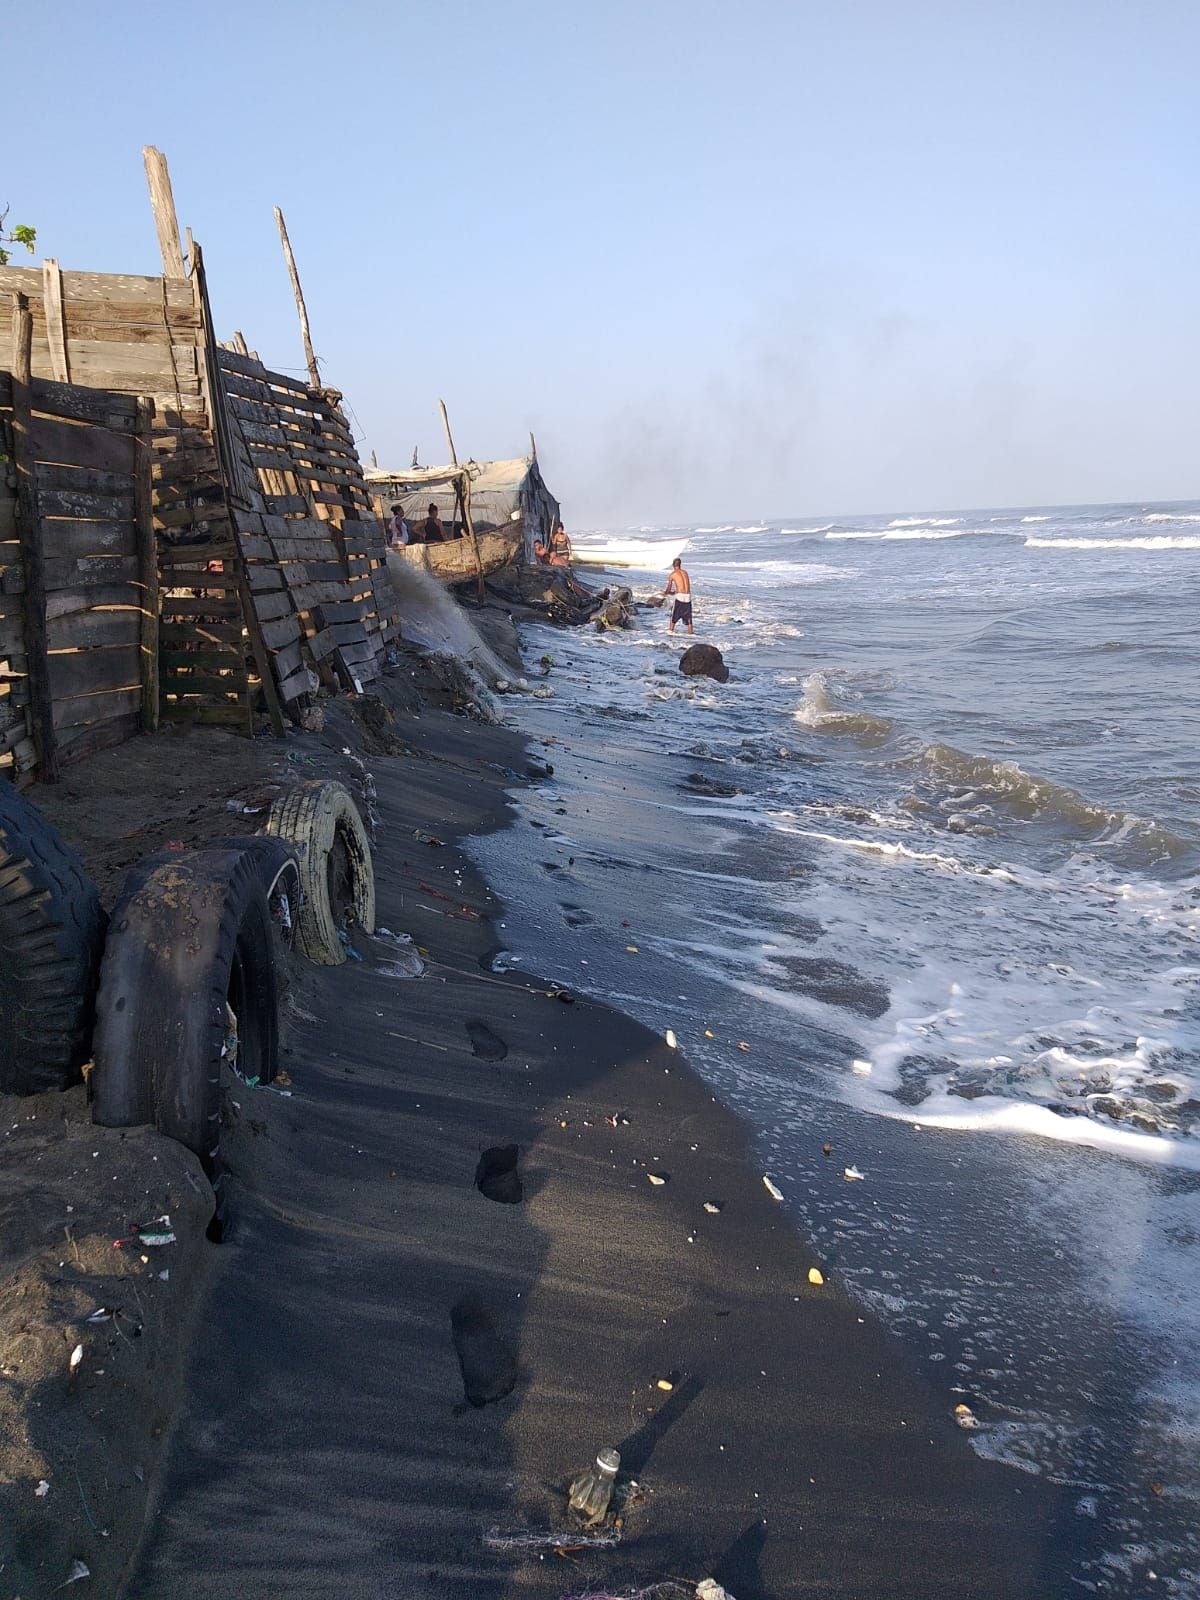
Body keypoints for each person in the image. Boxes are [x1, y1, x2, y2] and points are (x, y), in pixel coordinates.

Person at [663, 556, 693, 635]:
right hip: (688, 596)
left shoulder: (672, 574)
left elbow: (668, 589)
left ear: (673, 565)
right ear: (680, 565)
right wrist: (674, 592)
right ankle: (691, 636)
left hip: (680, 597)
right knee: (689, 620)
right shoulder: (685, 572)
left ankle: (670, 633)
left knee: (673, 618)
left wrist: (665, 593)